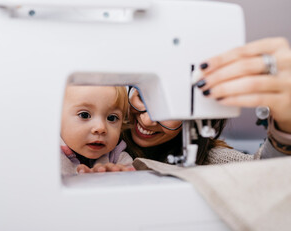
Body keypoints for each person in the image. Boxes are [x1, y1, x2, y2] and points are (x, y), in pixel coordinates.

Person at [123, 37, 291, 165]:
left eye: (168, 110)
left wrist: (286, 126)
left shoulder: (211, 159)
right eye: (141, 98)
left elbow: (264, 173)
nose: (147, 120)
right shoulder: (101, 137)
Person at [60, 85, 134, 175]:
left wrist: (121, 177)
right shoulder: (48, 153)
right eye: (84, 115)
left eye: (112, 118)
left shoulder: (117, 157)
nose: (100, 128)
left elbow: (134, 181)